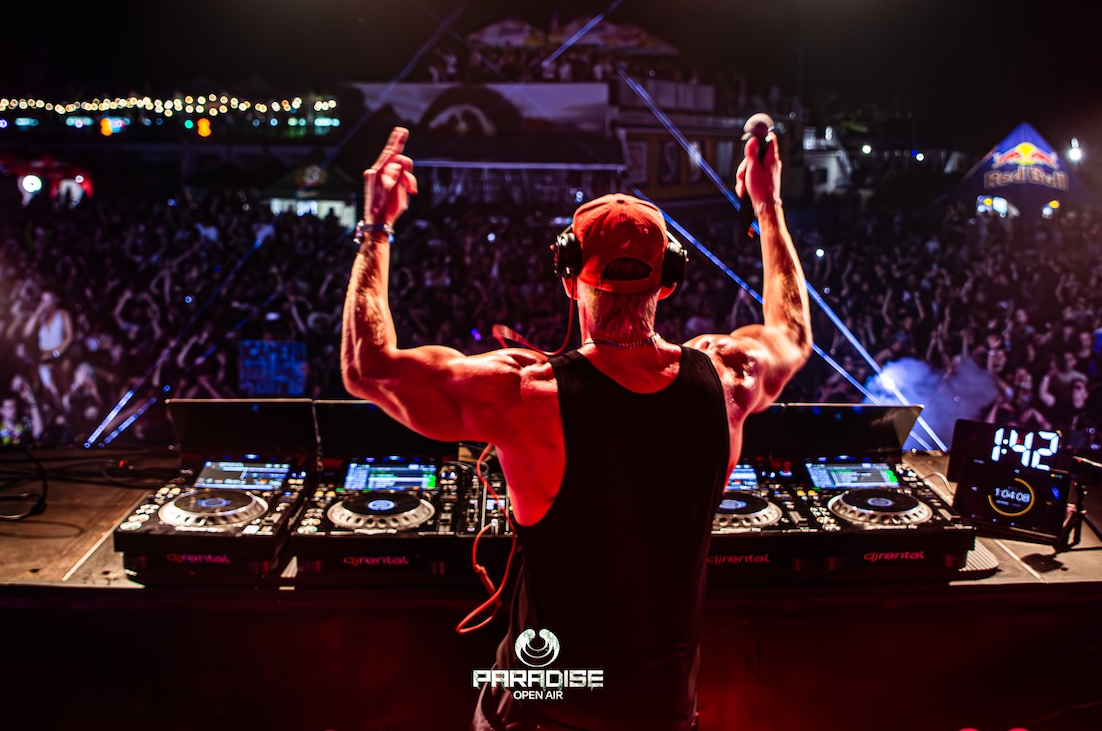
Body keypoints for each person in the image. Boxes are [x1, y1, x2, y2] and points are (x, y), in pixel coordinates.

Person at [342, 122, 812, 731]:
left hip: (540, 712)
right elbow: (793, 332)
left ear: (568, 277)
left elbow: (367, 368)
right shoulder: (727, 381)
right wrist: (768, 206)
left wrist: (376, 227)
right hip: (663, 712)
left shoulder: (524, 394)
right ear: (669, 280)